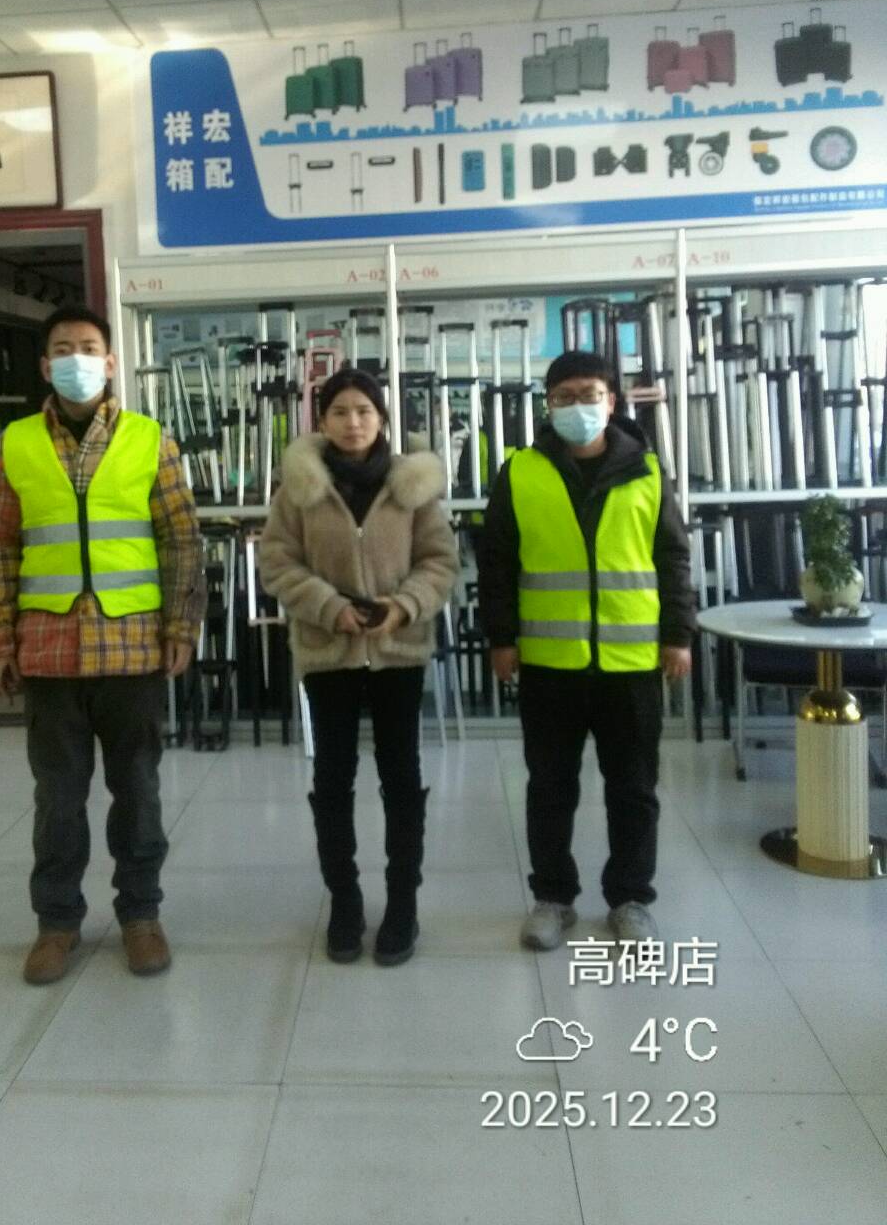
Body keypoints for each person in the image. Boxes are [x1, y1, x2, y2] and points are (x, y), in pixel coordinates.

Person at [0, 306, 204, 985]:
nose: (77, 358)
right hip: (48, 653)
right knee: (58, 799)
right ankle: (57, 923)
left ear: (110, 361)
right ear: (46, 366)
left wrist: (181, 626)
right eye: (63, 348)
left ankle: (141, 915)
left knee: (138, 792)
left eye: (89, 346)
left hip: (132, 649)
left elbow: (182, 542)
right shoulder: (14, 444)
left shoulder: (150, 439)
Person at [478, 350, 695, 949]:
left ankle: (630, 899)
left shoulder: (646, 472)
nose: (578, 406)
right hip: (550, 663)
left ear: (611, 401)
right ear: (548, 405)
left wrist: (679, 635)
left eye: (589, 394)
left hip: (632, 662)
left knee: (634, 789)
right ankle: (553, 898)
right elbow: (496, 562)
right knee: (550, 787)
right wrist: (501, 638)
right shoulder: (521, 472)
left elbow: (673, 557)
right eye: (564, 396)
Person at [259, 369, 458, 966]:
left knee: (401, 779)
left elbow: (440, 561)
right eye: (340, 412)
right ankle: (344, 902)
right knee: (333, 780)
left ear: (382, 419)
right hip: (329, 652)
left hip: (398, 650)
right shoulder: (299, 490)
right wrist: (329, 607)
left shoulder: (411, 485)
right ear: (322, 421)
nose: (353, 423)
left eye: (365, 411)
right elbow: (277, 562)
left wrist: (404, 606)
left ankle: (403, 904)